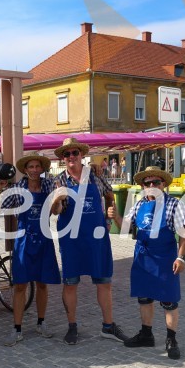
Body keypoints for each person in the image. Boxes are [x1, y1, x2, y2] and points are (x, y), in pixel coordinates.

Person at [50, 137, 128, 345]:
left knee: (104, 282)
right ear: (63, 159)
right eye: (67, 154)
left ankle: (108, 326)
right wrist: (57, 200)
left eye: (75, 153)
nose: (71, 157)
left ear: (81, 155)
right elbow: (54, 212)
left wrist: (110, 217)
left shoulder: (95, 176)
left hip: (97, 239)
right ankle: (72, 326)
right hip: (71, 241)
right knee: (70, 284)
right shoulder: (58, 181)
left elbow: (110, 195)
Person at [116, 166, 185, 360]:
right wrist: (113, 214)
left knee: (169, 300)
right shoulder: (139, 205)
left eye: (156, 182)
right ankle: (146, 334)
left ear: (163, 184)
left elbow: (184, 235)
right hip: (143, 258)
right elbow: (124, 228)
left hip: (165, 259)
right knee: (144, 298)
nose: (151, 186)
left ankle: (171, 340)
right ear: (142, 186)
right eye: (147, 183)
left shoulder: (174, 204)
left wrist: (181, 257)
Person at [0, 152, 61, 345]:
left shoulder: (50, 185)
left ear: (42, 169)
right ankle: (17, 328)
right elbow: (2, 205)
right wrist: (1, 190)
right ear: (25, 170)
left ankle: (41, 323)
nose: (34, 170)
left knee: (43, 283)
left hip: (44, 238)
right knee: (20, 286)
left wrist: (58, 197)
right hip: (23, 240)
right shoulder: (18, 187)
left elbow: (57, 210)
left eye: (37, 167)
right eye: (30, 167)